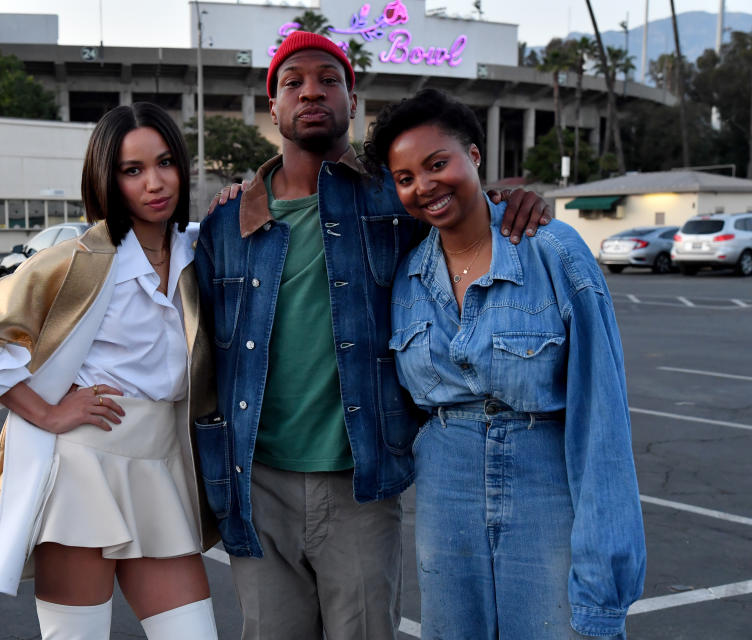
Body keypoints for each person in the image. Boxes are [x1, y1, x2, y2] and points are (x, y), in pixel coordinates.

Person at [195, 30, 552, 640]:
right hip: (257, 482)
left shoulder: (398, 199)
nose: (312, 91)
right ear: (273, 109)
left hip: (360, 481)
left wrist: (520, 201)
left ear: (352, 102)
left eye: (329, 80)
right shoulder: (227, 224)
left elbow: (465, 213)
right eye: (294, 82)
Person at [0, 102, 221, 640]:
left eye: (164, 163)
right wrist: (46, 412)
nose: (154, 183)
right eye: (132, 171)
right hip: (82, 468)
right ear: (107, 180)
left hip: (163, 465)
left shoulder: (200, 251)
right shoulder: (79, 258)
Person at [362, 88, 647, 638]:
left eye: (437, 163)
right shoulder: (408, 278)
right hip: (445, 492)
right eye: (405, 178)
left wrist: (604, 580)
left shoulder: (555, 252)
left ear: (474, 155)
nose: (424, 186)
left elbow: (602, 419)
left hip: (543, 483)